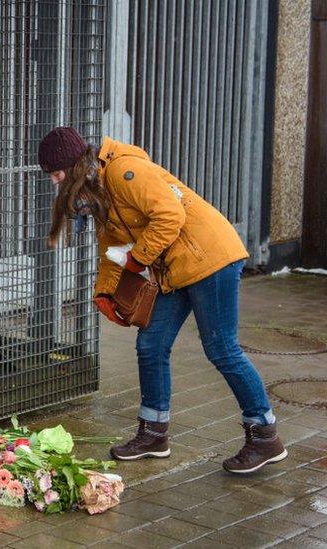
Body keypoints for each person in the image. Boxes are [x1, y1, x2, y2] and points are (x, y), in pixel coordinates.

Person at [37, 126, 287, 474]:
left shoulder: (126, 172)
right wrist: (104, 293)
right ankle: (153, 433)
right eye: (50, 175)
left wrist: (139, 259)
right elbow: (109, 247)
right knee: (151, 345)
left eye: (56, 173)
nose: (54, 181)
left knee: (222, 349)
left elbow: (171, 216)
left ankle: (264, 436)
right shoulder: (99, 188)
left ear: (73, 165)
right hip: (176, 269)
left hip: (211, 258)